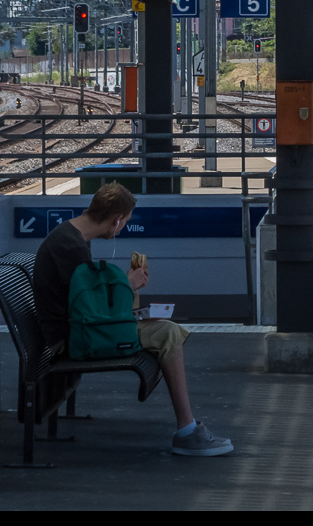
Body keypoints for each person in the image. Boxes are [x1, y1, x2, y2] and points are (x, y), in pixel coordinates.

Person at [33, 181, 232, 456]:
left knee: (160, 327)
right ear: (116, 220)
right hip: (75, 339)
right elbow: (93, 313)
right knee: (168, 333)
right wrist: (127, 284)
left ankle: (187, 428)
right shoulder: (72, 249)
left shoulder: (69, 236)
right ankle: (187, 431)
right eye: (125, 221)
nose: (123, 226)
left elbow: (90, 305)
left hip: (72, 331)